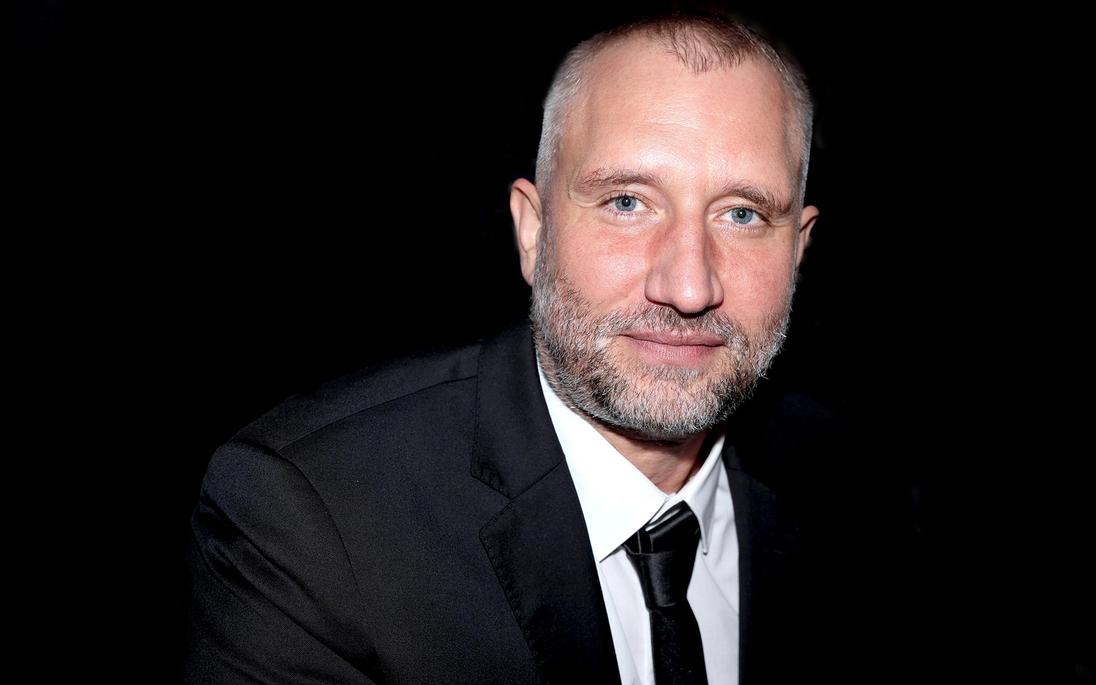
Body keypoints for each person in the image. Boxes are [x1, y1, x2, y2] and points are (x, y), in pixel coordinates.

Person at [185, 11, 855, 684]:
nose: (687, 287)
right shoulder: (315, 519)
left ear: (798, 251)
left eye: (742, 214)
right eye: (627, 202)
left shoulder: (847, 486)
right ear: (534, 233)